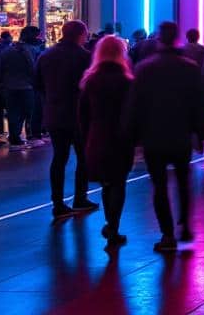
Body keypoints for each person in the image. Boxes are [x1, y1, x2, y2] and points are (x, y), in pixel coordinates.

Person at [122, 21, 204, 252]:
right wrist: (203, 133)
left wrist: (131, 137)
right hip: (181, 134)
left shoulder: (145, 68)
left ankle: (167, 233)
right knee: (183, 181)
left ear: (159, 38)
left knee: (159, 186)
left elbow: (135, 105)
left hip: (153, 135)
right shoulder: (189, 68)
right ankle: (186, 225)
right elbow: (200, 103)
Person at [34, 19, 96, 217]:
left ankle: (58, 203)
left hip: (55, 113)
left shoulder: (46, 55)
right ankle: (80, 197)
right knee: (83, 157)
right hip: (79, 115)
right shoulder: (85, 57)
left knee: (59, 158)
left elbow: (37, 83)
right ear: (80, 34)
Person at [78, 35, 135, 247]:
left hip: (98, 135)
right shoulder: (127, 81)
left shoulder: (90, 80)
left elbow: (82, 114)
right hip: (121, 138)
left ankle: (109, 223)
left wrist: (86, 137)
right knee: (119, 183)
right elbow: (133, 112)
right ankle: (114, 226)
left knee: (106, 183)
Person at [0, 26, 39, 151]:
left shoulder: (8, 51)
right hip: (26, 87)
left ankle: (14, 137)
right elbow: (34, 69)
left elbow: (1, 67)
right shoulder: (32, 50)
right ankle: (28, 136)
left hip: (9, 86)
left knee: (13, 112)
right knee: (27, 113)